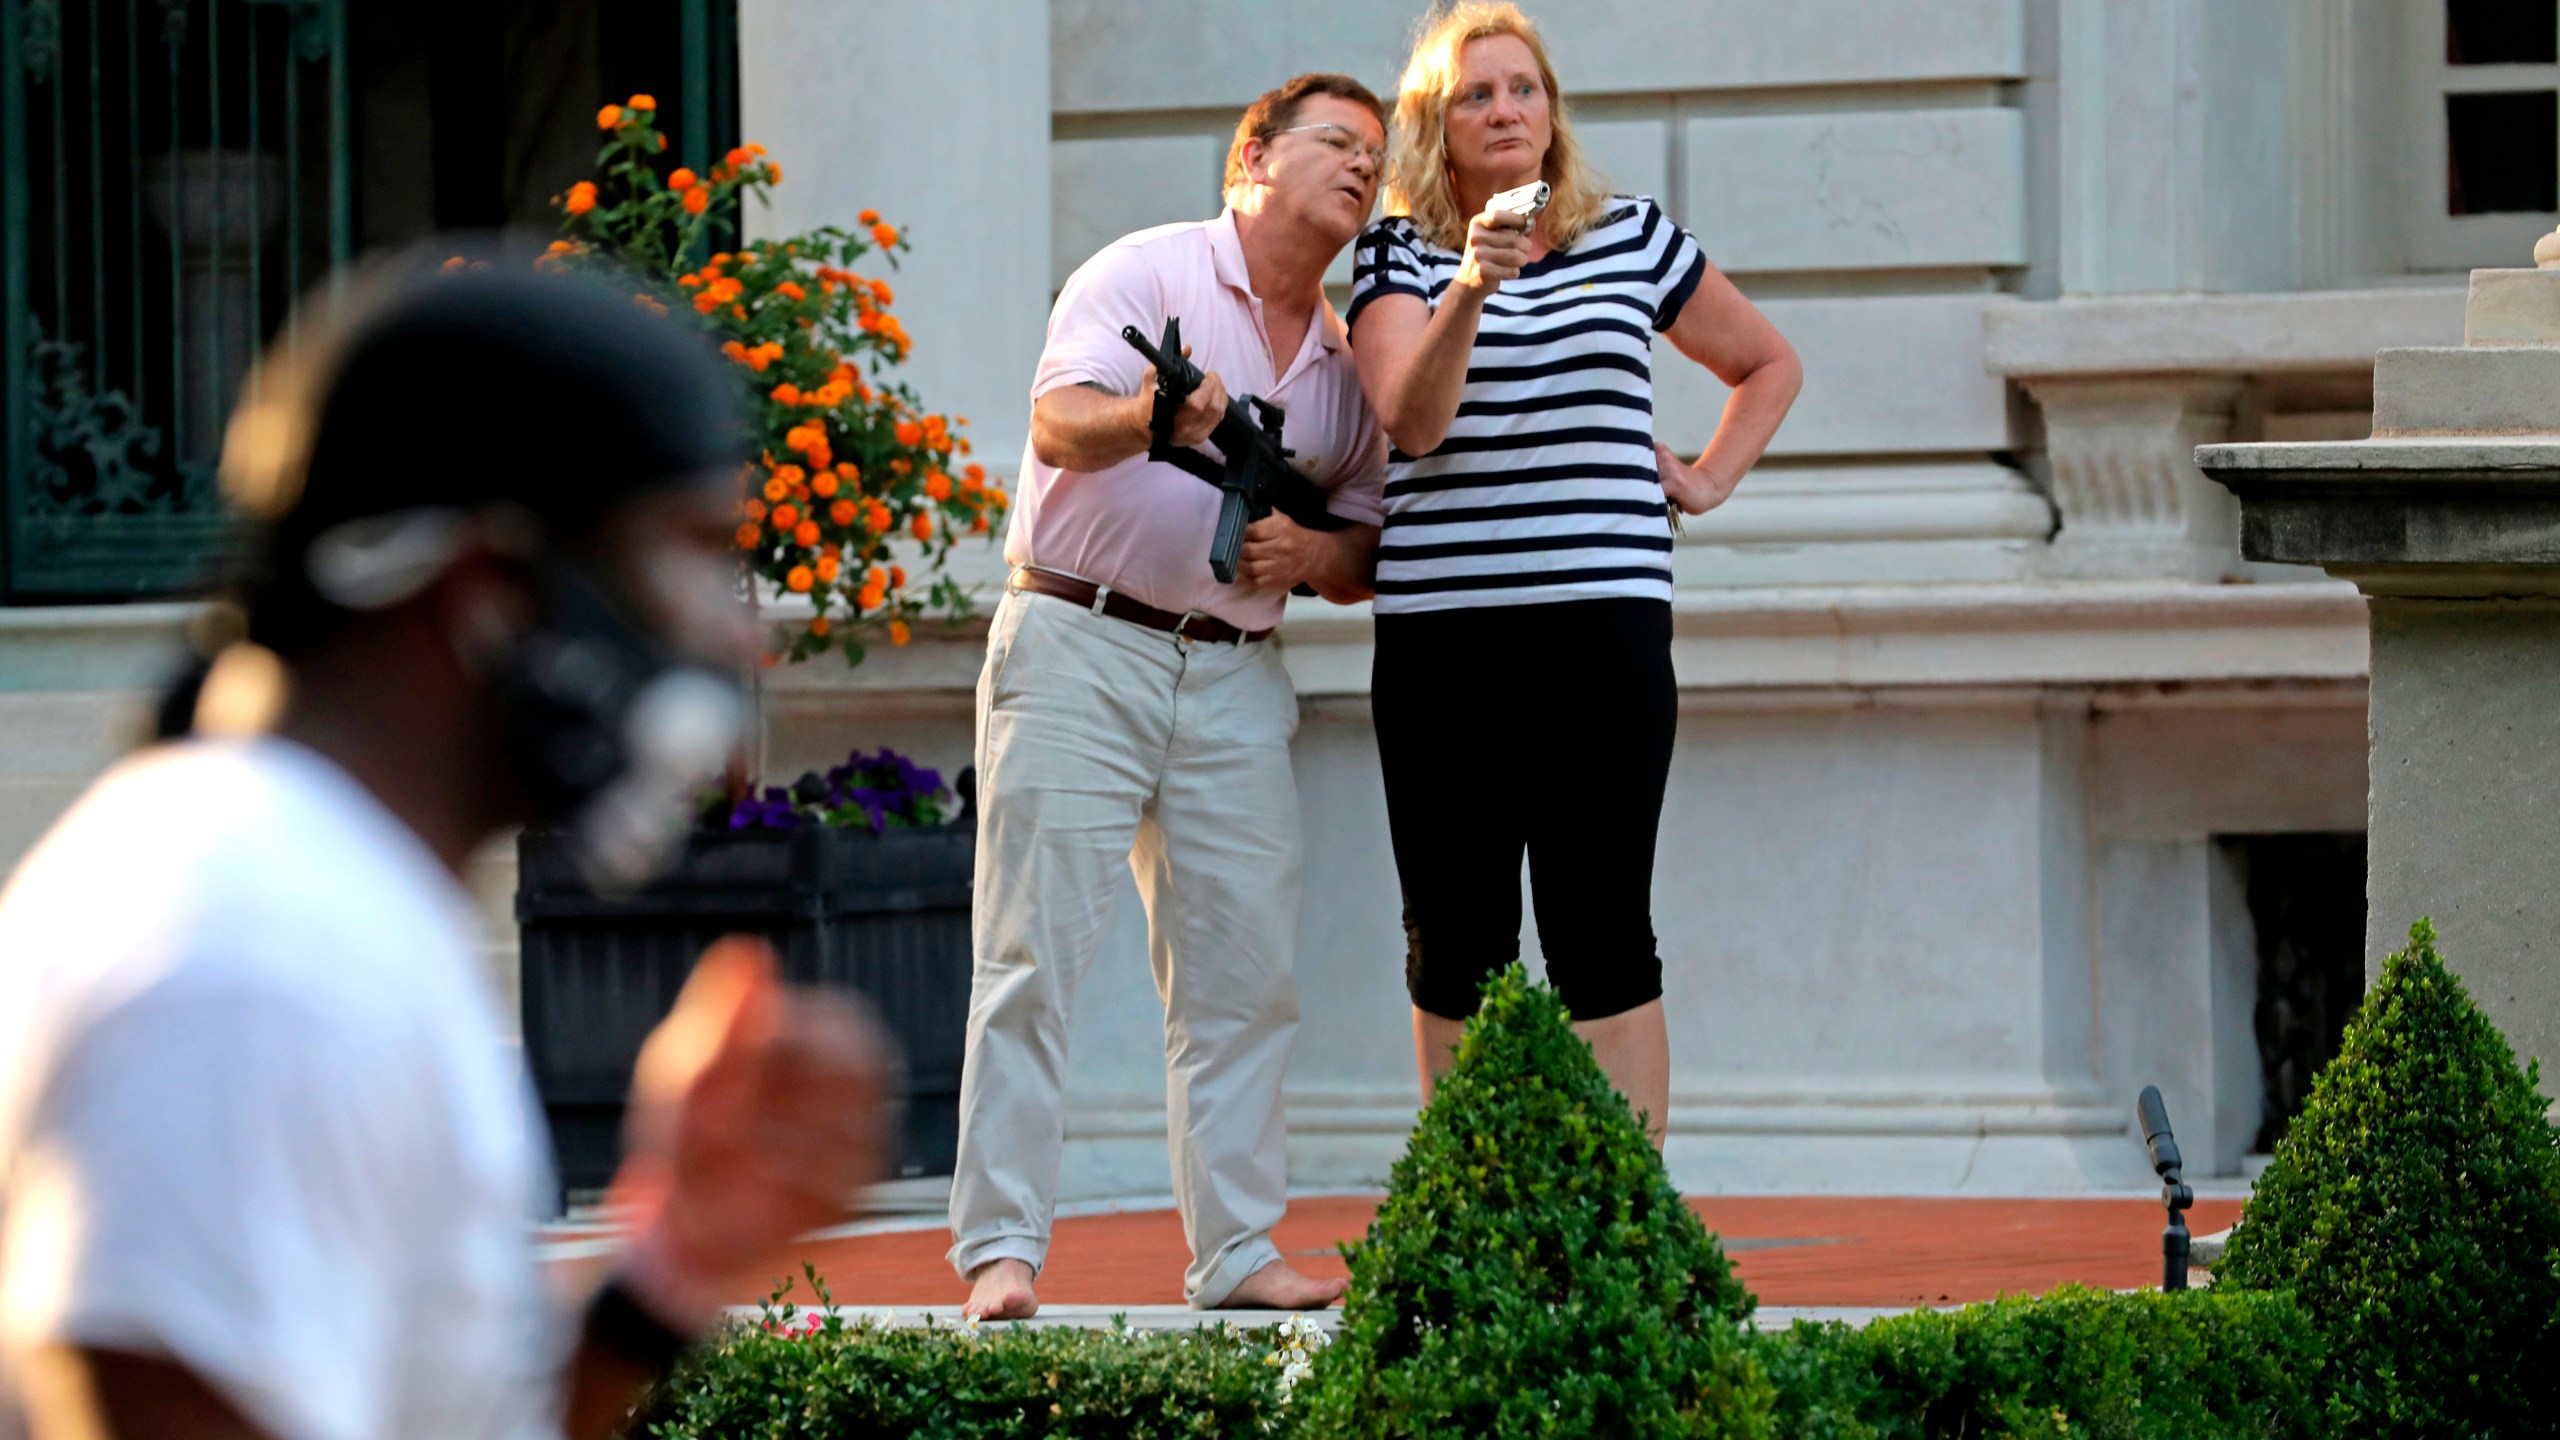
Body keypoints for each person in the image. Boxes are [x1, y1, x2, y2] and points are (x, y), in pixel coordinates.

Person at [0, 257, 891, 1440]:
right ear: (489, 589)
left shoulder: (309, 895)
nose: (740, 635)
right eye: (685, 551)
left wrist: (663, 1266)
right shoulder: (258, 962)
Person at [950, 73, 1391, 1320]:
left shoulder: (1349, 366)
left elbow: (1362, 547)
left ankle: (1238, 1252)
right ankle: (1001, 1251)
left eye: (1376, 154)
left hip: (1239, 672)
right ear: (1250, 156)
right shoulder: (1144, 274)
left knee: (1243, 977)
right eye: (1336, 143)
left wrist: (1307, 558)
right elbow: (1054, 425)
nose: (1363, 166)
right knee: (1031, 957)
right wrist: (1157, 413)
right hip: (1080, 640)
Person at [1347, 3, 1802, 1143]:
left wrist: (1705, 477)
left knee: (1603, 927)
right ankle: (1470, 1217)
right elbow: (1412, 424)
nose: (1504, 109)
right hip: (1445, 642)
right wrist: (1468, 287)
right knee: (1456, 934)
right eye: (1475, 93)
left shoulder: (1630, 234)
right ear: (1435, 125)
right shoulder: (1398, 256)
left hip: (1603, 631)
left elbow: (1767, 363)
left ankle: (1626, 1228)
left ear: (1551, 111)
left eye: (1523, 88)